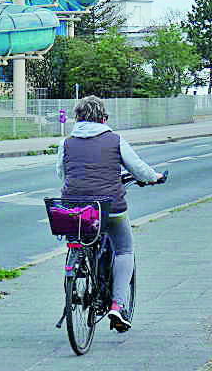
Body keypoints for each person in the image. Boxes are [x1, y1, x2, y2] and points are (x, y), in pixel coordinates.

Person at [55, 95, 163, 332]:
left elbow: (62, 174)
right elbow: (138, 168)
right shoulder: (115, 140)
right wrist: (154, 177)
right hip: (109, 208)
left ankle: (78, 271)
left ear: (78, 118)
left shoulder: (66, 142)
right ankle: (117, 304)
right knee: (125, 249)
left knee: (78, 237)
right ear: (103, 117)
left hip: (74, 209)